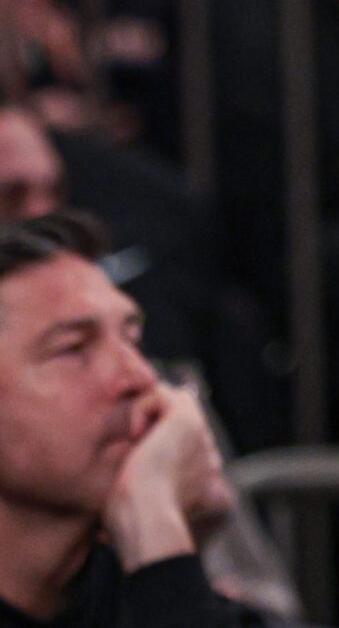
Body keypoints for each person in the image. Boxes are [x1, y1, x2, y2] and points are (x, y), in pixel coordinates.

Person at [0, 210, 267, 627]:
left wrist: (157, 536)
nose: (140, 377)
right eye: (74, 349)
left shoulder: (158, 590)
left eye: (133, 340)